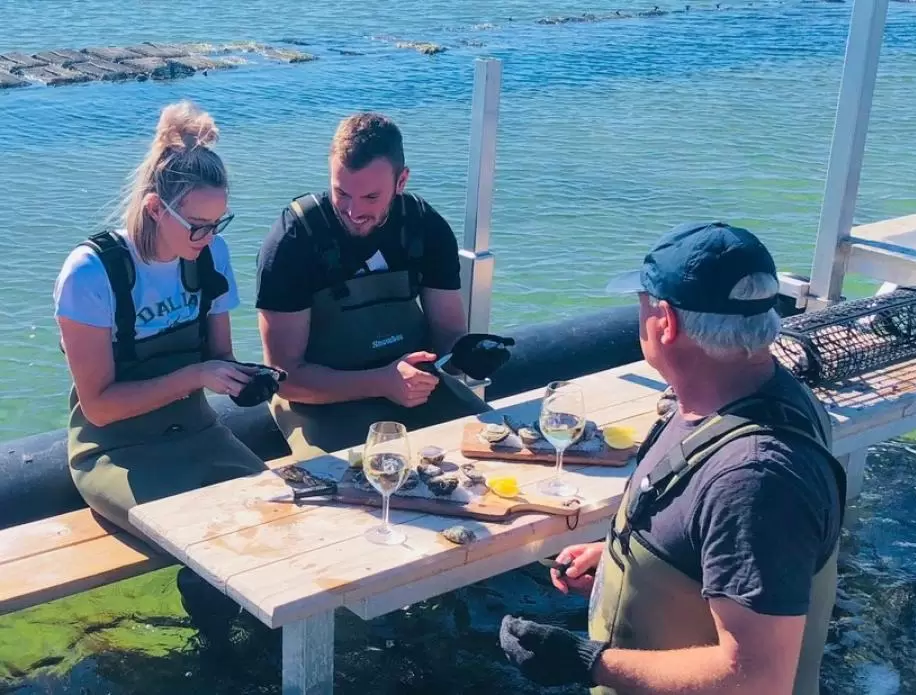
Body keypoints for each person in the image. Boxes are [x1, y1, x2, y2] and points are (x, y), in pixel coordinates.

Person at [499, 222, 847, 695]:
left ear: (666, 323)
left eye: (642, 306)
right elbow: (717, 550)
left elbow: (758, 680)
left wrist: (585, 661)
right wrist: (629, 565)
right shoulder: (744, 400)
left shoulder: (756, 478)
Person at [53, 100, 269, 645]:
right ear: (155, 208)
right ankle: (218, 649)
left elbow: (219, 357)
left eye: (217, 223)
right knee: (203, 538)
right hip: (114, 450)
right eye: (197, 226)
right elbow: (99, 405)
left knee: (283, 518)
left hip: (200, 432)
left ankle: (274, 642)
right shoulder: (91, 273)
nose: (209, 237)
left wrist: (252, 379)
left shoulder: (211, 254)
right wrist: (196, 375)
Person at [255, 111, 496, 460]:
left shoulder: (424, 226)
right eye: (341, 193)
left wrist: (467, 354)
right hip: (320, 403)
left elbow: (447, 334)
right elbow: (286, 378)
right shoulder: (292, 241)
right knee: (365, 484)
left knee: (494, 453)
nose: (353, 211)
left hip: (416, 387)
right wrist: (382, 381)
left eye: (370, 197)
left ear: (402, 182)